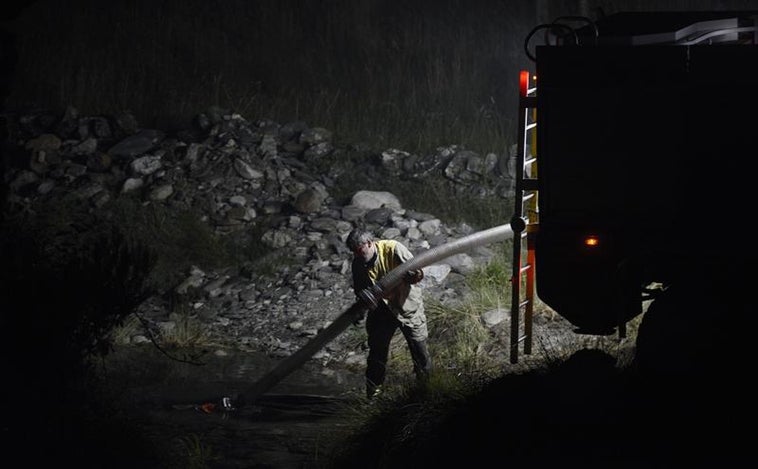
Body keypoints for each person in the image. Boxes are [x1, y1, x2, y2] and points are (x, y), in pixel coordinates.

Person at [345, 228, 432, 399]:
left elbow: (418, 273)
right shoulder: (357, 263)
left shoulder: (393, 248)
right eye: (353, 251)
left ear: (369, 243)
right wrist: (360, 307)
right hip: (381, 313)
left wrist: (411, 274)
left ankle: (426, 393)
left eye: (359, 249)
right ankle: (373, 396)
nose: (356, 254)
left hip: (406, 307)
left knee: (420, 353)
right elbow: (360, 291)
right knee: (377, 356)